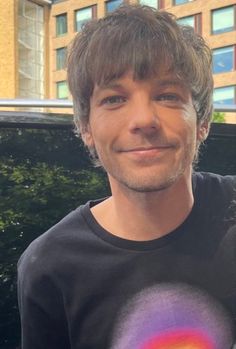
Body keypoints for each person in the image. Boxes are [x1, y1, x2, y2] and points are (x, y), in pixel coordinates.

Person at [17, 4, 236, 349]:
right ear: (86, 127)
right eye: (114, 99)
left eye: (167, 95)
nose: (143, 119)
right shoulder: (49, 267)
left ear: (203, 122)